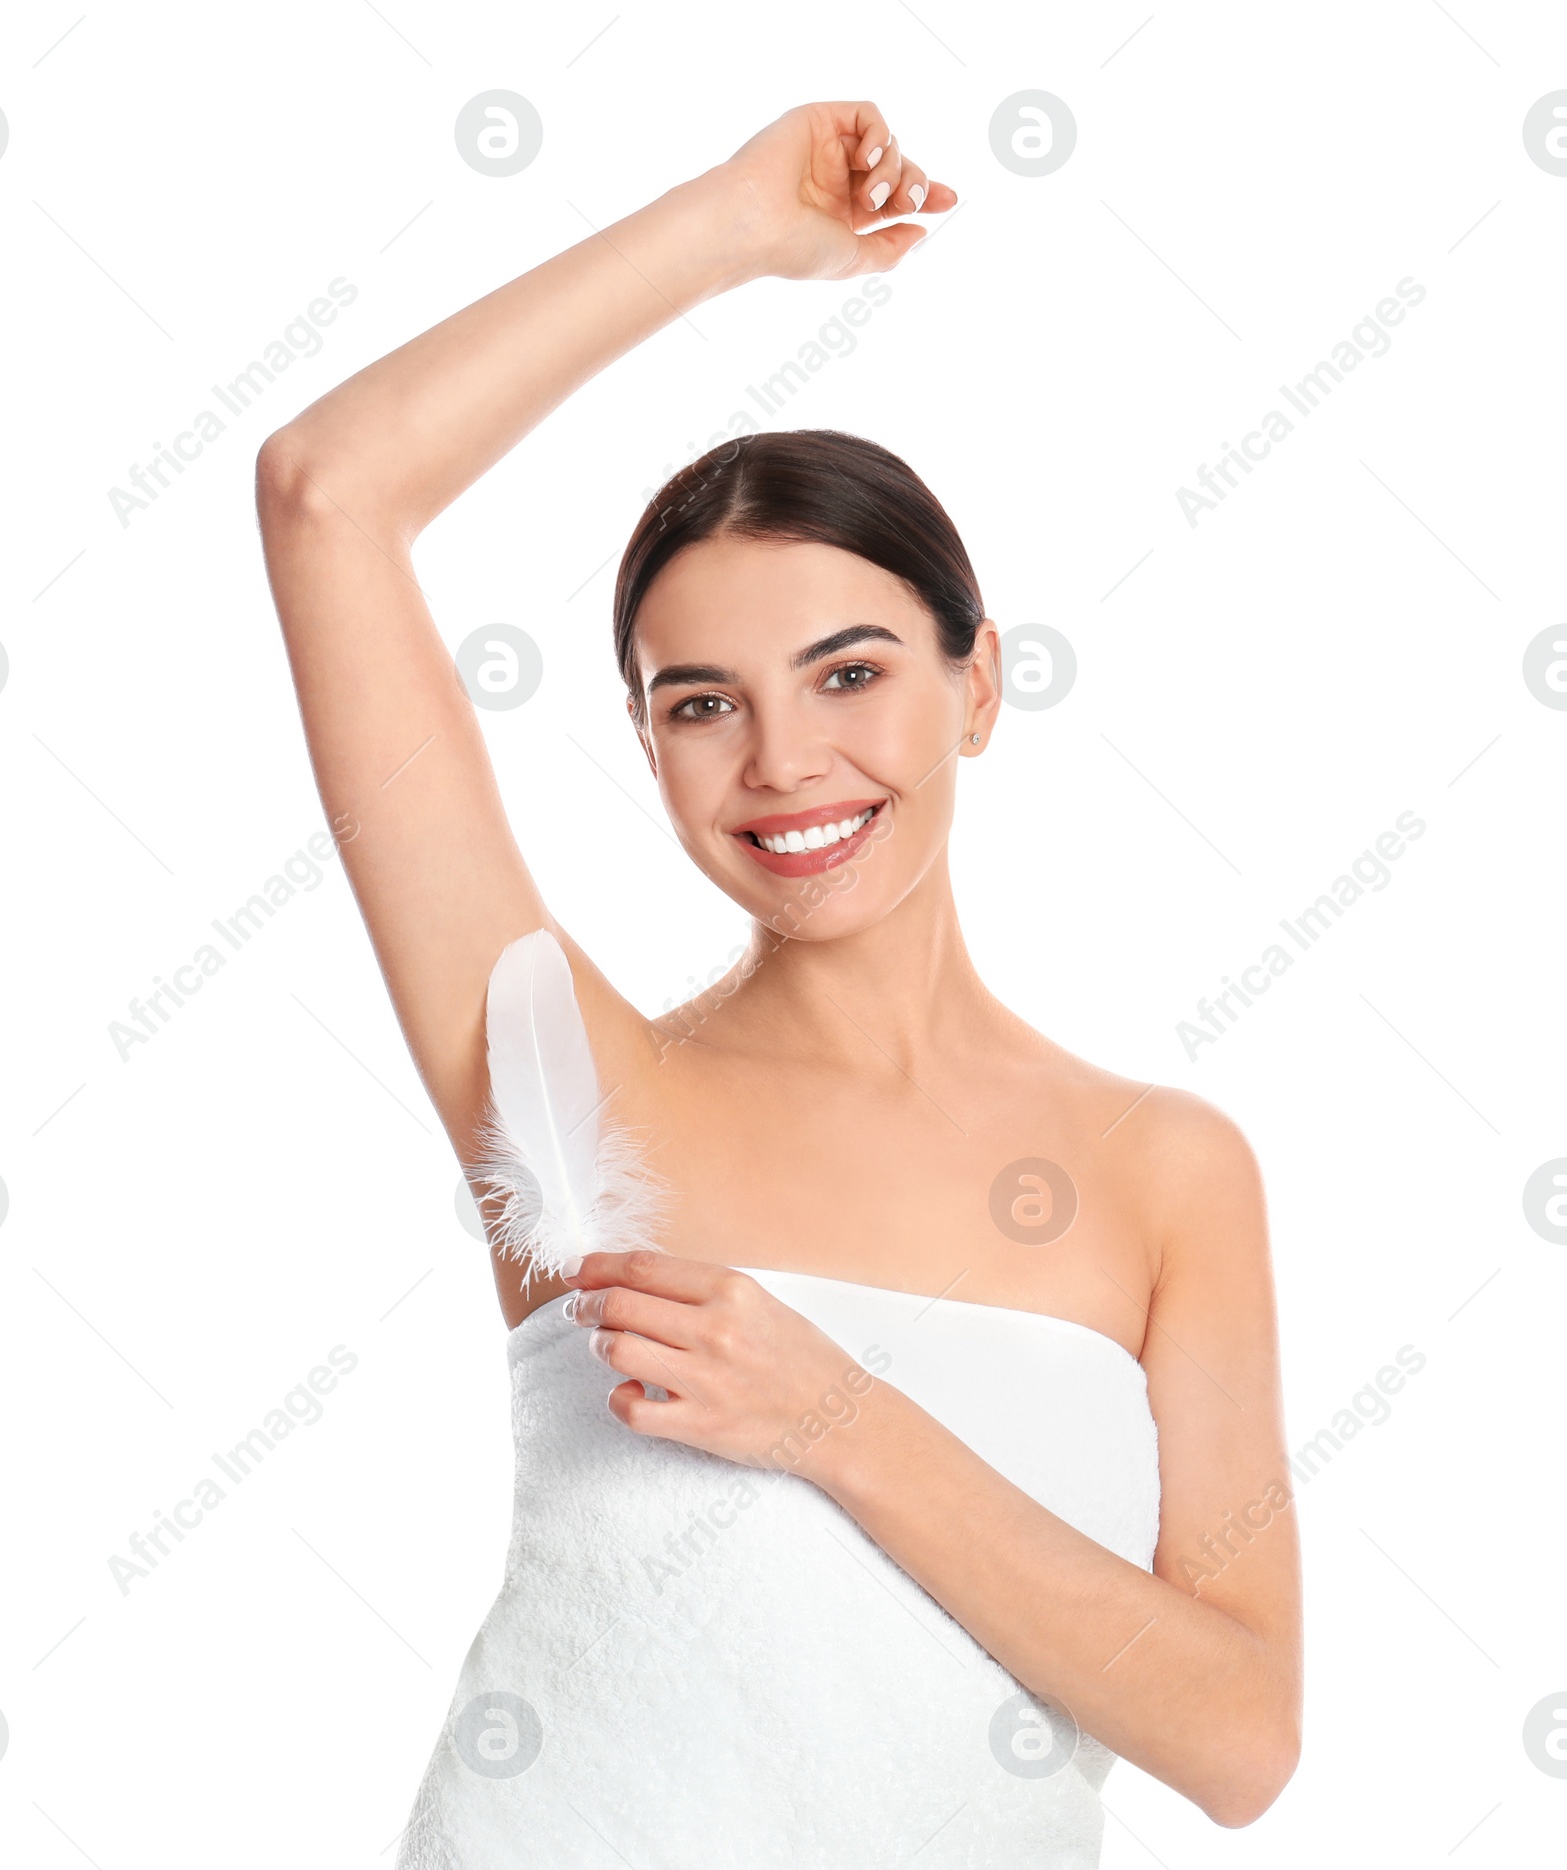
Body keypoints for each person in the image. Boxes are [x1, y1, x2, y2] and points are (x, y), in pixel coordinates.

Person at [255, 98, 1301, 1865]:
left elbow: (1240, 1737)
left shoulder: (1165, 1174)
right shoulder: (573, 1090)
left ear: (976, 689)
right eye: (700, 702)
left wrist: (833, 1416)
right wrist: (729, 227)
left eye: (850, 672)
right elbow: (323, 492)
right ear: (650, 744)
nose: (783, 763)